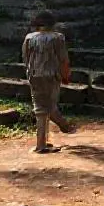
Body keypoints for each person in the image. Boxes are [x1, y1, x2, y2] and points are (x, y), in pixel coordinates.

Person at [22, 9, 75, 153]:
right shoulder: (57, 38)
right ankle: (63, 127)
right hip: (52, 75)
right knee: (48, 106)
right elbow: (63, 60)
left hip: (34, 75)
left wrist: (30, 72)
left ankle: (42, 142)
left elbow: (25, 59)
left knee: (40, 107)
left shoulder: (29, 38)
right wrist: (65, 75)